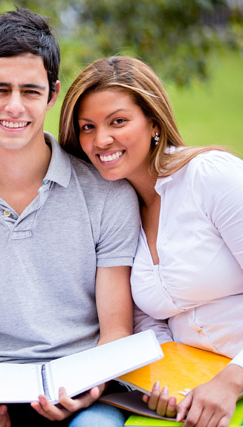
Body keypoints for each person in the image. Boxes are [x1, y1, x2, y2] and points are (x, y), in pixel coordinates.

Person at [0, 8, 140, 427]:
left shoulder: (108, 194)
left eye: (30, 91)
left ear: (52, 96)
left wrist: (89, 391)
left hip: (85, 389)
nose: (15, 107)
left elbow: (115, 331)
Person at [59, 55, 243, 427]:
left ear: (154, 122)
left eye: (118, 122)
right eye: (87, 127)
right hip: (194, 387)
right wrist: (165, 378)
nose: (101, 140)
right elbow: (149, 319)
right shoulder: (117, 208)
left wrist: (231, 380)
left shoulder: (209, 178)